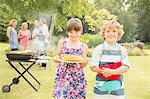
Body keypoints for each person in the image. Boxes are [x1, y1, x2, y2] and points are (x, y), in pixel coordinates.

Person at [90, 20, 130, 99]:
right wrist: (105, 72)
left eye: (114, 31)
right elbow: (93, 66)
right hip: (100, 88)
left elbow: (126, 66)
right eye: (108, 31)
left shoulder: (122, 50)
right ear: (103, 34)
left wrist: (113, 72)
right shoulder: (99, 48)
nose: (111, 34)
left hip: (117, 90)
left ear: (118, 34)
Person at [52, 18, 88, 98]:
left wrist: (85, 62)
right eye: (71, 32)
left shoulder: (83, 47)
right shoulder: (62, 42)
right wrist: (56, 58)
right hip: (63, 75)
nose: (73, 34)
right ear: (67, 32)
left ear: (81, 31)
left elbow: (82, 65)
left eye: (76, 31)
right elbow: (56, 56)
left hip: (77, 76)